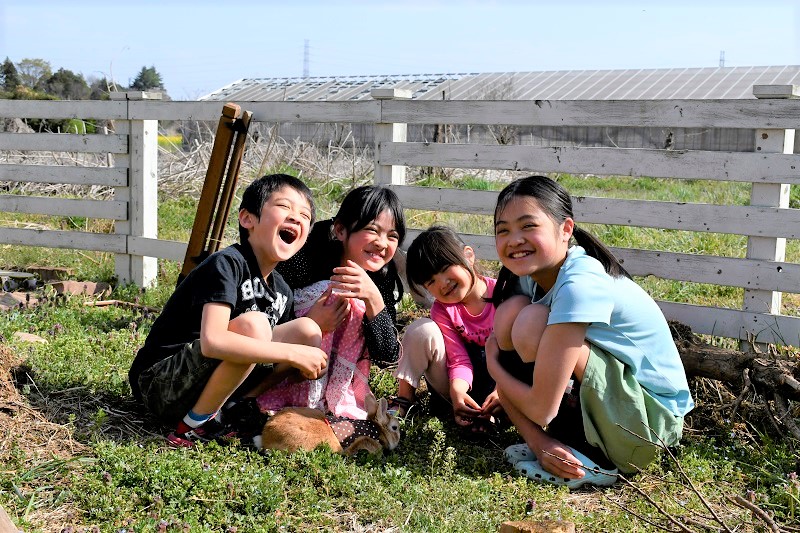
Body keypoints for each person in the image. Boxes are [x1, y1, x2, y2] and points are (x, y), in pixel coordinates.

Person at [486, 175, 694, 489]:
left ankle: (600, 461)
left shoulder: (580, 281)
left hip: (649, 430)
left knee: (529, 323)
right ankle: (564, 448)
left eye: (528, 226)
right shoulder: (533, 275)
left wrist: (493, 368)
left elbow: (543, 407)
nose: (514, 239)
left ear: (565, 230)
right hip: (619, 410)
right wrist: (539, 442)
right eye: (504, 230)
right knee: (510, 317)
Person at [128, 174, 329, 447]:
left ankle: (234, 406)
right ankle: (192, 426)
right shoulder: (226, 264)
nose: (296, 217)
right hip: (160, 385)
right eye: (284, 207)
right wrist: (294, 353)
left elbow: (275, 353)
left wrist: (304, 351)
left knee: (306, 331)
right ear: (248, 219)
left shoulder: (282, 290)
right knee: (255, 327)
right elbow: (213, 342)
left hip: (211, 385)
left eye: (305, 215)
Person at [257, 185, 406, 419]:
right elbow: (268, 317)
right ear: (340, 231)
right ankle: (260, 396)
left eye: (393, 236)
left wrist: (373, 298)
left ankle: (331, 397)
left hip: (334, 378)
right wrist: (311, 322)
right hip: (281, 363)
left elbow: (387, 356)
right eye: (372, 230)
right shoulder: (304, 260)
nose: (382, 243)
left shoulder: (382, 277)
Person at [393, 225, 502, 436]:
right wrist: (457, 391)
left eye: (445, 268)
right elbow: (458, 359)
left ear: (468, 256)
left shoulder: (503, 295)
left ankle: (493, 413)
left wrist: (502, 392)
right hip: (457, 381)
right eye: (431, 281)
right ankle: (406, 401)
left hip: (503, 383)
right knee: (421, 330)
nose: (443, 283)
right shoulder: (443, 310)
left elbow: (513, 358)